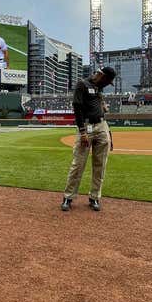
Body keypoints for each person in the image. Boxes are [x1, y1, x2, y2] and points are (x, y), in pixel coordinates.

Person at [61, 66, 116, 212]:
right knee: (78, 164)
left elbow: (96, 103)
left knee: (100, 165)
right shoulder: (82, 84)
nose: (106, 84)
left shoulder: (99, 88)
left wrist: (103, 107)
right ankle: (68, 197)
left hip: (102, 125)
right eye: (107, 81)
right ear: (101, 75)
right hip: (86, 127)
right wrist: (82, 131)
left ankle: (95, 197)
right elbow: (77, 108)